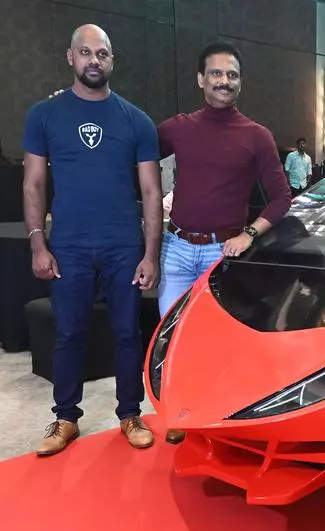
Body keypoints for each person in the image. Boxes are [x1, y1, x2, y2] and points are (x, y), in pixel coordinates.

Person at [22, 24, 163, 456]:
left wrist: (150, 254)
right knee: (69, 333)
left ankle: (130, 413)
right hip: (69, 245)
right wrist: (38, 243)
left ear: (112, 60)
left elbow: (152, 191)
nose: (93, 61)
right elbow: (33, 184)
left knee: (126, 333)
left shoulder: (136, 120)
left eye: (101, 53)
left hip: (123, 245)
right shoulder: (44, 116)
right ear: (71, 58)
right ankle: (65, 417)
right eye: (85, 53)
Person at [157, 41, 291, 444]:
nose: (224, 81)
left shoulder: (257, 136)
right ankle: (180, 411)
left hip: (223, 252)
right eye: (216, 73)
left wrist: (248, 234)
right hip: (177, 250)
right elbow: (130, 146)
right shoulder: (177, 128)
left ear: (240, 83)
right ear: (201, 80)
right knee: (174, 337)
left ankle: (217, 413)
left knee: (217, 340)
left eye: (231, 75)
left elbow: (282, 198)